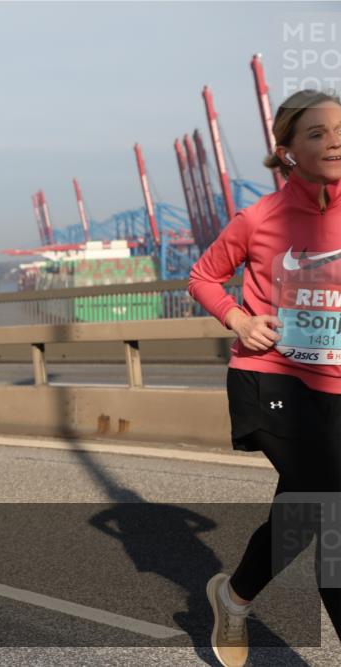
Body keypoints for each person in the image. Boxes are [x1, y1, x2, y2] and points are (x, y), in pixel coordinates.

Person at [188, 89, 341, 667]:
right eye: (318, 133)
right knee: (330, 511)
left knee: (301, 514)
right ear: (288, 151)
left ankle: (233, 597)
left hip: (335, 389)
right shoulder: (259, 218)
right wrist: (239, 319)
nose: (335, 142)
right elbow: (203, 277)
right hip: (271, 380)